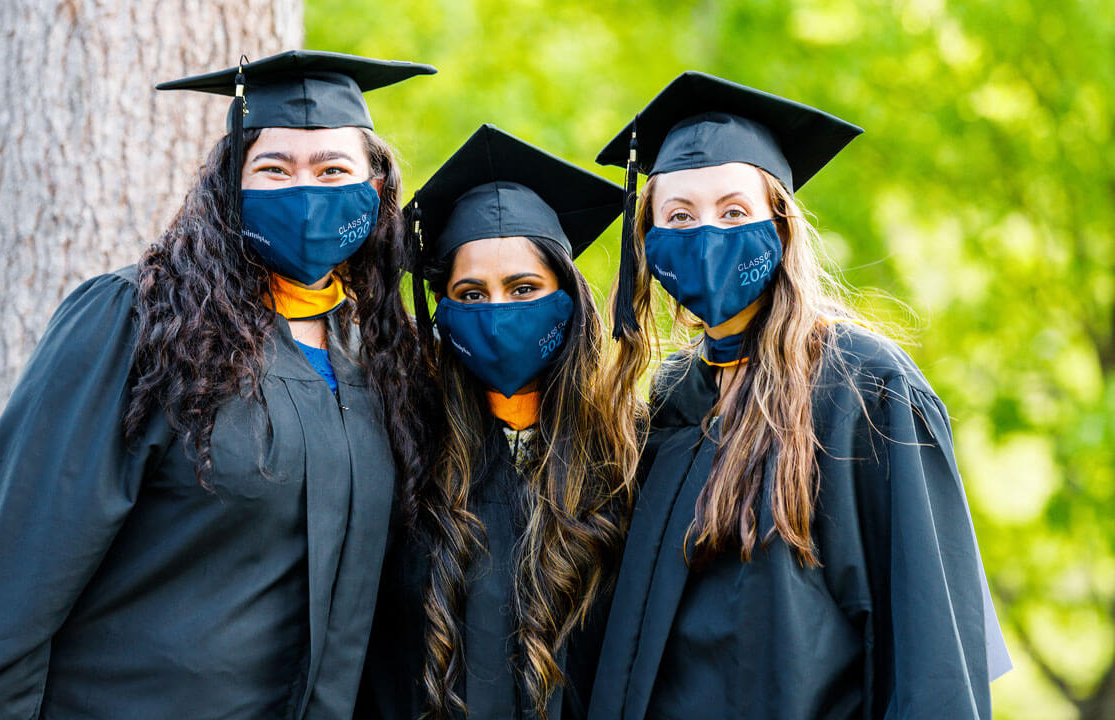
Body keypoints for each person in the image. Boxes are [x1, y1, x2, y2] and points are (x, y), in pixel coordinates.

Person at [0, 50, 435, 720]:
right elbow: (13, 579)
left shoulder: (379, 356)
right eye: (274, 168)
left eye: (333, 169)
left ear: (375, 192)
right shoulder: (139, 323)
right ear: (230, 184)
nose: (306, 191)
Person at [588, 72, 1011, 720]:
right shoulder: (670, 400)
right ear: (647, 243)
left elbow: (934, 666)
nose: (706, 236)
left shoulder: (864, 392)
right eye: (678, 217)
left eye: (734, 212)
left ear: (780, 226)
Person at [355, 125, 644, 720]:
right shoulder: (402, 453)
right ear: (441, 313)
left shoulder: (633, 454)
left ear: (570, 298)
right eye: (471, 293)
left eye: (523, 288)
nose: (497, 313)